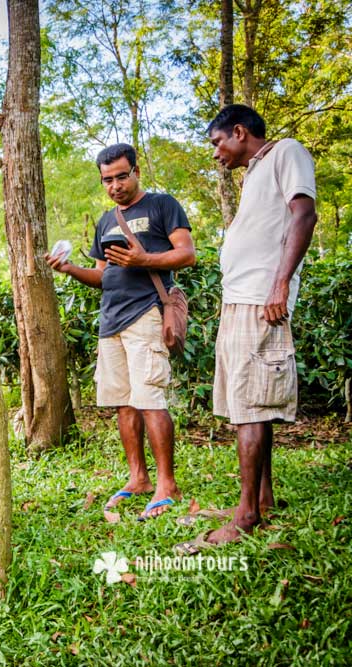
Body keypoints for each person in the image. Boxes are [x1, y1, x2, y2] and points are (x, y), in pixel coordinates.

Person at [45, 143, 195, 520]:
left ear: (136, 171)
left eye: (121, 176)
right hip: (110, 322)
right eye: (107, 179)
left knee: (150, 401)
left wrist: (144, 259)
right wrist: (67, 269)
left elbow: (187, 254)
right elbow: (101, 275)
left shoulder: (162, 205)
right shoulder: (106, 220)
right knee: (124, 404)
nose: (114, 185)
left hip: (146, 314)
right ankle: (138, 479)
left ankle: (166, 484)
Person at [201, 104, 317, 546]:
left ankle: (247, 514)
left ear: (239, 131)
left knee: (251, 407)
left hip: (261, 301)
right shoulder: (256, 171)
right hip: (241, 301)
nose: (216, 154)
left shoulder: (286, 151)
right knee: (248, 405)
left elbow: (304, 215)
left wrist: (280, 285)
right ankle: (261, 498)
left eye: (217, 143)